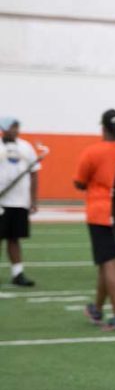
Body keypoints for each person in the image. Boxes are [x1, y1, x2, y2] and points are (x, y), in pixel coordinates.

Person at [75, 109, 115, 331]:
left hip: (100, 213)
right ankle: (97, 308)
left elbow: (79, 182)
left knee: (108, 263)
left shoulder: (92, 152)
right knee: (106, 261)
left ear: (104, 128)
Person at [0, 117, 41, 287]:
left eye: (17, 127)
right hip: (1, 202)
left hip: (20, 201)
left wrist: (33, 199)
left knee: (14, 238)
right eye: (12, 127)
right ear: (3, 128)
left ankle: (18, 273)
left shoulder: (26, 147)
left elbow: (34, 173)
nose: (16, 130)